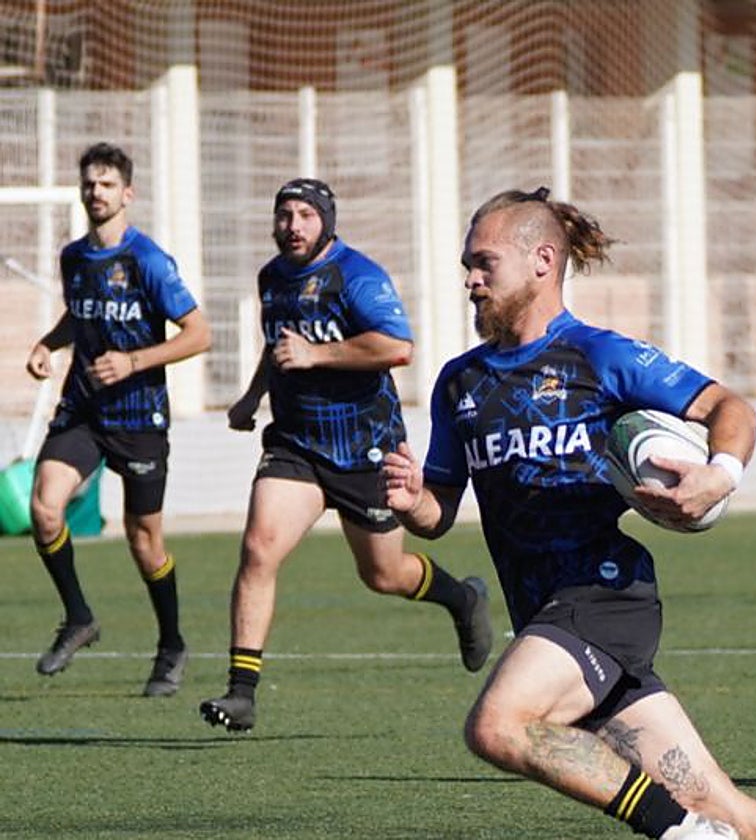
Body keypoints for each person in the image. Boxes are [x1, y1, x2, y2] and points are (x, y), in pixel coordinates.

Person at [382, 187, 756, 840]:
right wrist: (409, 498)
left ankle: (681, 834)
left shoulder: (600, 356)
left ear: (541, 260)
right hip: (549, 623)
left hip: (604, 596)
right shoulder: (459, 383)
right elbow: (438, 513)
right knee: (738, 818)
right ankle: (705, 829)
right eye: (466, 268)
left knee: (497, 726)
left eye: (484, 264)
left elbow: (733, 409)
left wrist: (717, 476)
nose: (471, 282)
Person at [199, 178, 493, 733]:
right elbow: (281, 342)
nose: (293, 225)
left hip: (365, 448)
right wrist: (252, 396)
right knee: (259, 549)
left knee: (384, 575)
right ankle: (242, 693)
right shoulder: (272, 278)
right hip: (296, 445)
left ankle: (460, 598)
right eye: (284, 214)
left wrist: (317, 354)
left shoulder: (358, 276)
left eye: (306, 215)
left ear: (327, 222)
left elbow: (397, 346)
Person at [25, 141, 212, 696]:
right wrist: (49, 343)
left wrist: (134, 360)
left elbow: (199, 333)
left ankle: (172, 644)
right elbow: (81, 315)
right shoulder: (73, 258)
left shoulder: (148, 261)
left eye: (106, 184)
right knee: (44, 506)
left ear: (127, 194)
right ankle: (79, 616)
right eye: (89, 183)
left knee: (143, 540)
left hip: (139, 417)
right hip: (82, 408)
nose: (95, 192)